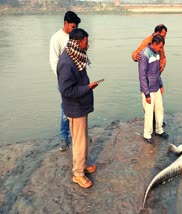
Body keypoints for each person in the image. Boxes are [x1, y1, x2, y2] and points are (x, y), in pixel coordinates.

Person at [57, 28, 98, 188]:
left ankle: (83, 165)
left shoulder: (75, 56)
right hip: (75, 107)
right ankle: (78, 173)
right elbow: (66, 90)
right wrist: (87, 88)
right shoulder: (66, 63)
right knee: (79, 141)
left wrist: (87, 87)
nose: (87, 46)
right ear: (77, 42)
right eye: (86, 43)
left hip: (80, 105)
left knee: (82, 139)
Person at [50, 11, 81, 151]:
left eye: (76, 27)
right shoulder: (56, 38)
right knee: (65, 109)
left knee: (79, 107)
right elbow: (54, 61)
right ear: (66, 23)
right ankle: (64, 137)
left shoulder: (75, 36)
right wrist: (63, 80)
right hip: (64, 81)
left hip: (78, 79)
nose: (75, 29)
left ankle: (78, 136)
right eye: (73, 26)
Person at [138, 34, 169, 144]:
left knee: (159, 109)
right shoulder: (144, 54)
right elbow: (142, 76)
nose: (161, 49)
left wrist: (161, 85)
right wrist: (146, 94)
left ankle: (159, 130)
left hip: (156, 87)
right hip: (148, 89)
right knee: (149, 112)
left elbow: (157, 72)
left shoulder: (157, 53)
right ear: (154, 44)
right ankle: (147, 134)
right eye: (160, 47)